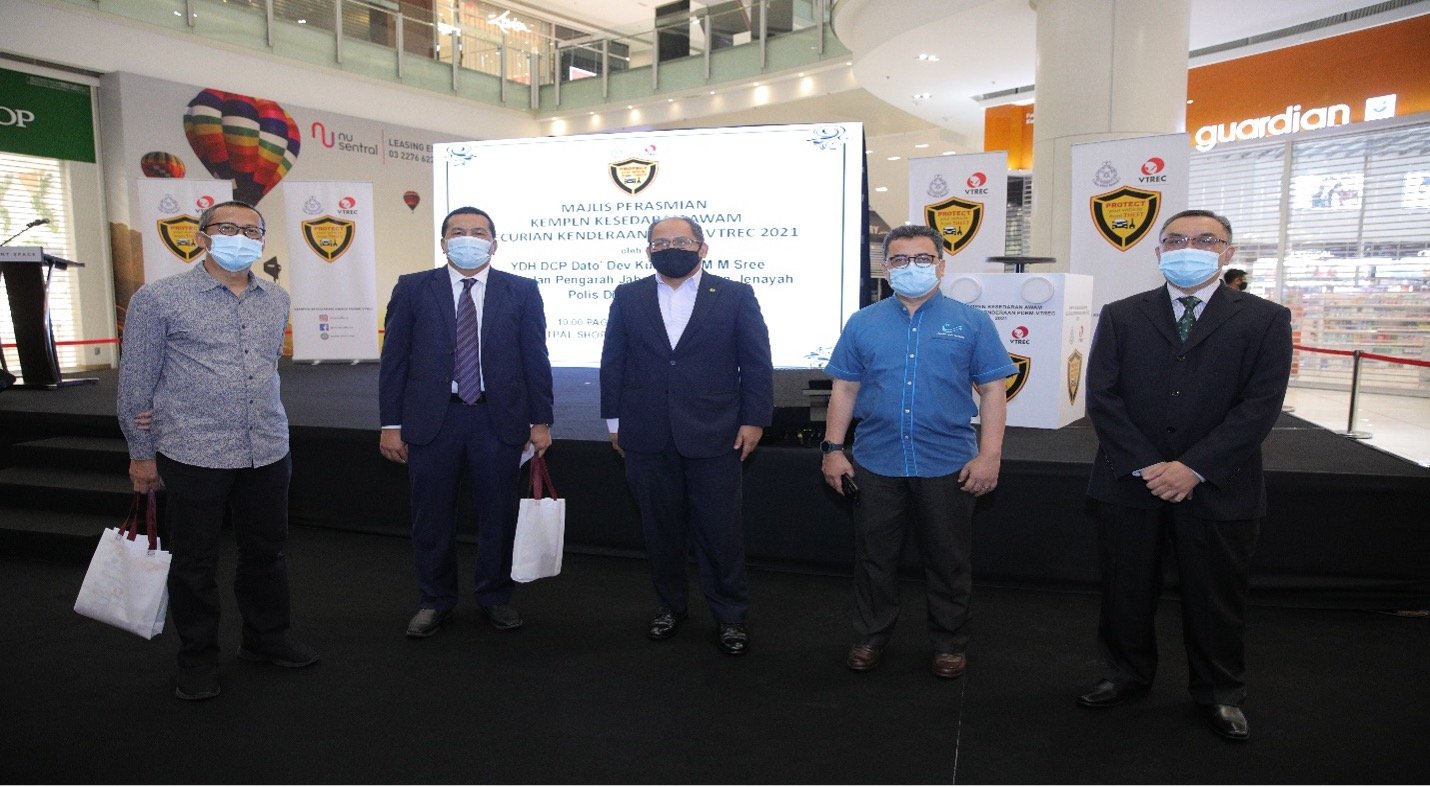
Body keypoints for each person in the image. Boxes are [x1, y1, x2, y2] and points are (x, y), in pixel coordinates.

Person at [1077, 209, 1293, 742]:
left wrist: (1194, 467)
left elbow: (1261, 405)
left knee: (1216, 596)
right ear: (1158, 251)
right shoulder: (1122, 314)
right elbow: (1102, 396)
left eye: (1204, 239)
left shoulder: (1266, 319)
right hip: (1131, 480)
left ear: (1228, 253)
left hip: (1220, 483)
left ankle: (1220, 692)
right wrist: (1150, 465)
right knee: (1126, 588)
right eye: (1175, 239)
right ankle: (1125, 674)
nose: (1188, 247)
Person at [118, 199, 317, 701]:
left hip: (266, 448)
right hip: (193, 450)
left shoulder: (276, 298)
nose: (240, 237)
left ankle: (265, 638)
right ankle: (198, 658)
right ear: (202, 237)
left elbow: (266, 366)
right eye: (228, 227)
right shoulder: (158, 299)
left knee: (266, 553)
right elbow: (135, 384)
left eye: (252, 230)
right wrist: (141, 454)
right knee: (195, 562)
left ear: (263, 241)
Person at [819, 223, 1015, 680]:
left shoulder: (971, 322)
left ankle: (949, 644)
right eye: (901, 259)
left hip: (947, 463)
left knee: (948, 561)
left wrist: (989, 456)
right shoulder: (862, 322)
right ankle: (870, 637)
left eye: (923, 258)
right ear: (886, 267)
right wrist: (833, 449)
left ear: (941, 266)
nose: (912, 267)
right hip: (875, 461)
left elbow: (993, 391)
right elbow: (844, 388)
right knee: (874, 559)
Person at [599, 215, 773, 656]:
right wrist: (614, 423)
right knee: (660, 531)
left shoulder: (735, 295)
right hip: (645, 433)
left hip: (717, 433)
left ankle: (730, 616)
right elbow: (613, 360)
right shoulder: (628, 295)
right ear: (648, 251)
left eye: (681, 240)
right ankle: (670, 608)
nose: (670, 248)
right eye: (660, 243)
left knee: (720, 533)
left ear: (702, 247)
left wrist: (754, 420)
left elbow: (755, 362)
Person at [379, 206, 553, 638]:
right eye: (458, 232)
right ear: (443, 242)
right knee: (431, 516)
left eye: (478, 232)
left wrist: (541, 421)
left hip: (499, 419)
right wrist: (390, 424)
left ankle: (494, 596)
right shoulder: (413, 288)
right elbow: (394, 360)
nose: (468, 239)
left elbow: (536, 359)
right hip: (433, 420)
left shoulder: (522, 290)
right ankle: (434, 600)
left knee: (498, 514)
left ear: (494, 244)